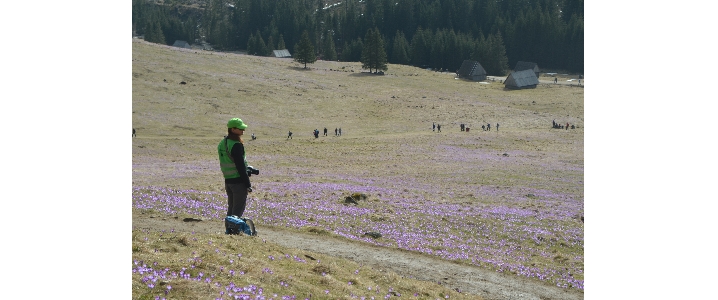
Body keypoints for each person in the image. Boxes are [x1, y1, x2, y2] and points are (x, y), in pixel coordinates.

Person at [218, 118, 253, 233]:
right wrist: (247, 184)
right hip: (238, 182)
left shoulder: (223, 142)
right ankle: (233, 233)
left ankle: (228, 230)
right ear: (233, 129)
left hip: (228, 181)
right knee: (237, 211)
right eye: (240, 128)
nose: (243, 130)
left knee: (231, 208)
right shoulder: (236, 145)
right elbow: (240, 166)